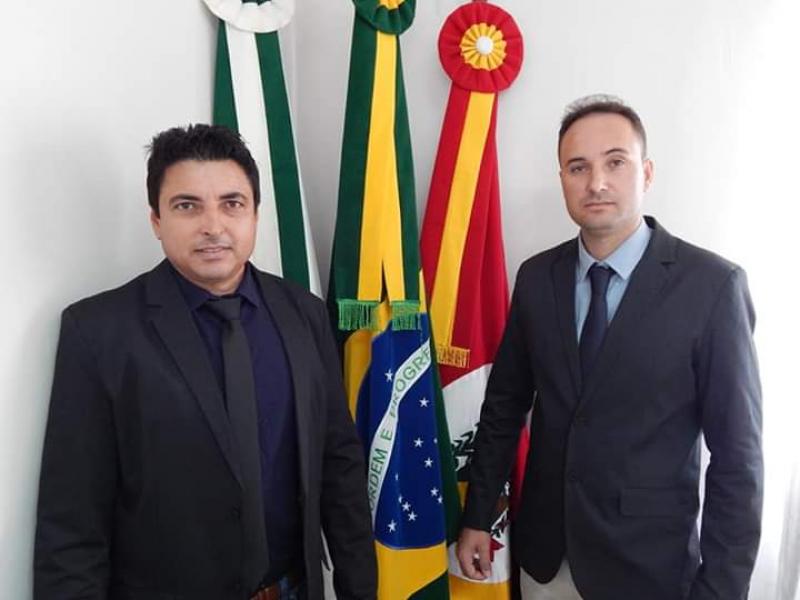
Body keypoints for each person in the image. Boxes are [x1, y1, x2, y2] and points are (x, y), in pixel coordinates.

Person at [34, 124, 377, 600]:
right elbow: (72, 521)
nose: (213, 226)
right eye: (187, 206)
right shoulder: (97, 332)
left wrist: (361, 588)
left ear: (255, 214)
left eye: (232, 203)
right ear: (156, 220)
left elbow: (338, 464)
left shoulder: (304, 313)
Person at [456, 95, 762, 600]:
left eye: (615, 162)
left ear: (646, 173)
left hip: (648, 568)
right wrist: (478, 515)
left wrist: (722, 588)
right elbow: (504, 408)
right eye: (578, 167)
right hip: (544, 559)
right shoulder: (536, 278)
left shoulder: (712, 287)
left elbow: (738, 458)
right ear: (562, 179)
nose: (596, 183)